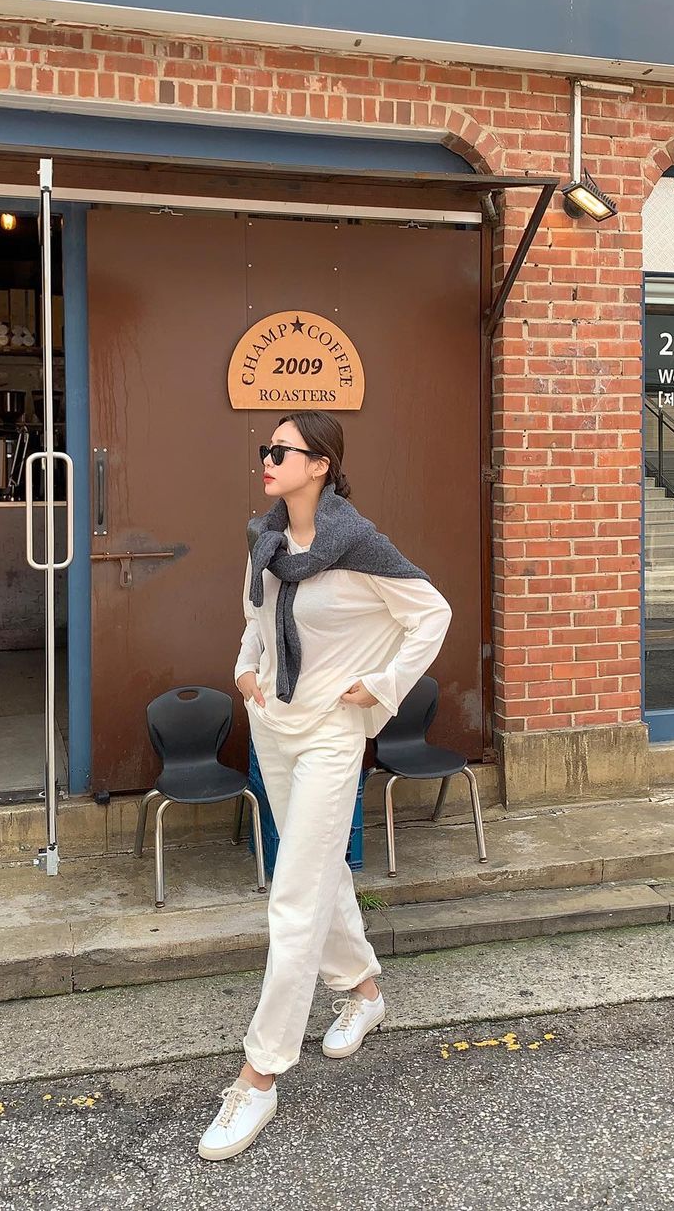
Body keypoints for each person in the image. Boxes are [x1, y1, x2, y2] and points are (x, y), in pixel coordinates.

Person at [198, 410, 453, 1161]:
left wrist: (381, 685)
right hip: (274, 727)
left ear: (321, 465)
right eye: (267, 448)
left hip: (332, 737)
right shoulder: (265, 540)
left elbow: (432, 614)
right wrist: (246, 671)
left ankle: (260, 1075)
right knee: (319, 871)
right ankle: (365, 991)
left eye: (282, 450)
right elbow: (256, 618)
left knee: (294, 893)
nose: (268, 459)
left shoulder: (359, 546)